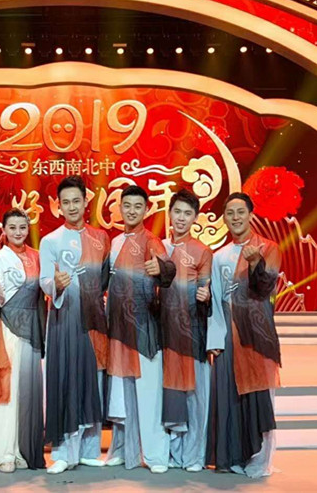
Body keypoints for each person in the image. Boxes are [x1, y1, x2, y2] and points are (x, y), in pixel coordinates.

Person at [206, 192, 282, 478]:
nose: (235, 217)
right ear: (224, 218)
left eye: (240, 212)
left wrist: (254, 263)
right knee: (229, 397)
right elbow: (215, 299)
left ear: (251, 215)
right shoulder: (219, 256)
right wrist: (215, 339)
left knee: (258, 396)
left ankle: (260, 460)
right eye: (230, 213)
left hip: (256, 335)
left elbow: (265, 289)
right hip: (228, 332)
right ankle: (232, 456)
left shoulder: (268, 248)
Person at [39, 175, 110, 474]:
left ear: (85, 202)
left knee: (92, 381)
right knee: (67, 380)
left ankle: (90, 449)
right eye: (65, 202)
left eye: (76, 201)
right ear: (58, 206)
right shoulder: (50, 240)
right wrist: (55, 284)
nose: (71, 207)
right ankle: (63, 453)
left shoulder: (101, 237)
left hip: (94, 320)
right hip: (65, 318)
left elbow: (105, 280)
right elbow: (44, 280)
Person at [105, 185, 176, 473]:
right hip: (118, 327)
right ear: (119, 208)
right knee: (123, 394)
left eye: (138, 206)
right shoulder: (114, 242)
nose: (132, 211)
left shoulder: (151, 241)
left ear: (146, 209)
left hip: (145, 326)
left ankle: (155, 455)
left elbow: (167, 269)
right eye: (127, 205)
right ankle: (125, 451)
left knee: (148, 394)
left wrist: (161, 271)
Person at [0, 208, 45, 473]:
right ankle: (3, 453)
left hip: (31, 328)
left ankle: (22, 450)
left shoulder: (37, 256)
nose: (18, 232)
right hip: (7, 328)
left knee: (27, 392)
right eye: (12, 228)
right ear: (4, 231)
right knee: (5, 391)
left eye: (22, 227)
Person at [161, 189, 212, 472]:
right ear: (169, 213)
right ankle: (172, 453)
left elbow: (207, 291)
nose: (181, 218)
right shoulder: (159, 248)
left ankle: (194, 455)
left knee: (194, 397)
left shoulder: (202, 251)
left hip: (192, 332)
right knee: (170, 395)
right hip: (164, 334)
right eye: (177, 212)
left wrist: (206, 297)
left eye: (187, 213)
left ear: (195, 218)